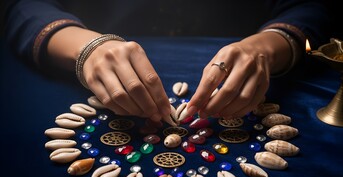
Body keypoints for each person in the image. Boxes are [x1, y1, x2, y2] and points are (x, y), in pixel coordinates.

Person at [2, 0, 331, 122]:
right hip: (85, 79)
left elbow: (312, 7)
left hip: (247, 78)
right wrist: (86, 47)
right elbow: (21, 5)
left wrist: (266, 46)